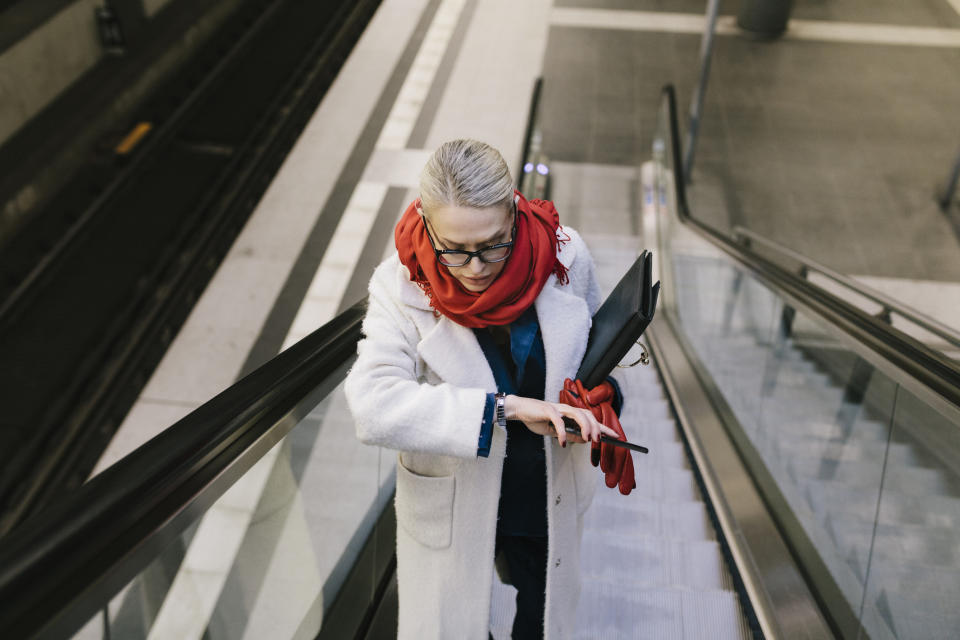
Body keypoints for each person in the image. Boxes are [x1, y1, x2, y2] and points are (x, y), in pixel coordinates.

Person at [344, 139, 627, 639]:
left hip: (544, 490)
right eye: (454, 250)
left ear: (516, 212)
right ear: (427, 225)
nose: (476, 268)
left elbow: (602, 354)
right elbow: (372, 405)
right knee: (456, 623)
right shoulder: (399, 285)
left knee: (541, 618)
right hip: (455, 498)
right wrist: (504, 409)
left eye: (494, 244)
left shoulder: (565, 256)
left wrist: (605, 400)